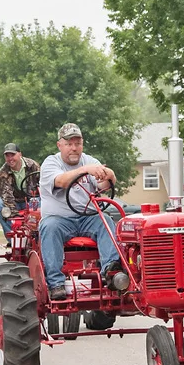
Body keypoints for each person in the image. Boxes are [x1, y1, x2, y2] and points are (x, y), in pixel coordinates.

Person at [39, 123, 122, 301]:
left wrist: (109, 176)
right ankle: (56, 283)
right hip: (59, 219)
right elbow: (61, 181)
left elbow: (103, 186)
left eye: (78, 143)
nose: (74, 148)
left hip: (87, 218)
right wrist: (85, 170)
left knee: (105, 221)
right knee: (49, 226)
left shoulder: (90, 161)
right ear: (59, 145)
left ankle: (112, 271)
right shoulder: (51, 163)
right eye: (69, 144)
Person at [0, 143, 40, 235]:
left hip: (32, 199)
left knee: (40, 203)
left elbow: (42, 185)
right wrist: (15, 214)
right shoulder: (2, 173)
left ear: (20, 154)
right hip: (14, 202)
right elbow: (6, 197)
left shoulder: (33, 166)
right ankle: (12, 237)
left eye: (13, 155)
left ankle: (36, 235)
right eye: (7, 156)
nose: (10, 159)